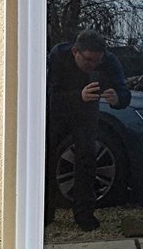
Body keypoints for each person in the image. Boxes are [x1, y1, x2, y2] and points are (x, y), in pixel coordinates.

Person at [45, 29, 131, 231]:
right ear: (75, 51)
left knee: (87, 158)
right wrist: (78, 96)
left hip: (87, 112)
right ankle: (45, 213)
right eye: (89, 60)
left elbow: (124, 92)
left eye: (97, 61)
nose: (93, 65)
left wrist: (118, 99)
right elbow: (48, 97)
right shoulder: (58, 56)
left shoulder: (108, 60)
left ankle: (84, 215)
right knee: (47, 158)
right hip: (57, 112)